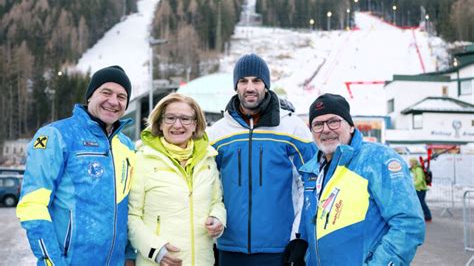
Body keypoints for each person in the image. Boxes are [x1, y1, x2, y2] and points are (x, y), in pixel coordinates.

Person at [16, 65, 136, 265]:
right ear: (90, 96)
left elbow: (128, 206)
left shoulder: (127, 146)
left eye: (121, 96)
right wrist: (50, 261)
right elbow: (32, 205)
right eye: (106, 92)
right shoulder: (56, 135)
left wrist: (129, 256)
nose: (113, 101)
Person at [207, 53, 317, 265]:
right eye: (243, 81)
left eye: (256, 80)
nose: (250, 87)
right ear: (236, 86)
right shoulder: (217, 133)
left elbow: (310, 186)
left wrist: (299, 237)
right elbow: (208, 186)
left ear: (266, 85)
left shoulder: (292, 128)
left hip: (279, 248)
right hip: (229, 249)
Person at [298, 93, 425, 265]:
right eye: (318, 124)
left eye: (334, 121)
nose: (326, 129)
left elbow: (408, 224)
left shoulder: (378, 159)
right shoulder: (311, 171)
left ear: (351, 126)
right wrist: (301, 249)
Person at [128, 93, 226, 266]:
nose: (177, 125)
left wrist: (218, 218)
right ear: (160, 123)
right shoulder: (142, 159)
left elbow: (217, 202)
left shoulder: (208, 159)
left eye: (185, 119)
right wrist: (155, 250)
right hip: (158, 262)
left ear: (195, 124)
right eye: (170, 118)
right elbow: (131, 216)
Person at [410, 158, 432, 222]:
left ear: (414, 163)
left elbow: (420, 179)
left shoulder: (418, 169)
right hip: (417, 189)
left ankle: (428, 216)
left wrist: (413, 185)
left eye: (411, 162)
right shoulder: (414, 169)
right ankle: (422, 216)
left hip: (421, 189)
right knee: (418, 203)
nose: (410, 164)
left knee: (421, 203)